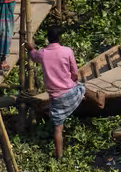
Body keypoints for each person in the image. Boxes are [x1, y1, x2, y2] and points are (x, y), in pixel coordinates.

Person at [28, 27, 99, 158]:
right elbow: (75, 74)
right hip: (70, 93)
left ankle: (59, 155)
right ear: (59, 39)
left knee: (58, 129)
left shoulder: (42, 53)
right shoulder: (67, 51)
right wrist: (73, 80)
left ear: (48, 39)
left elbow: (33, 56)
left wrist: (31, 47)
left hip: (56, 98)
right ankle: (99, 101)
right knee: (82, 88)